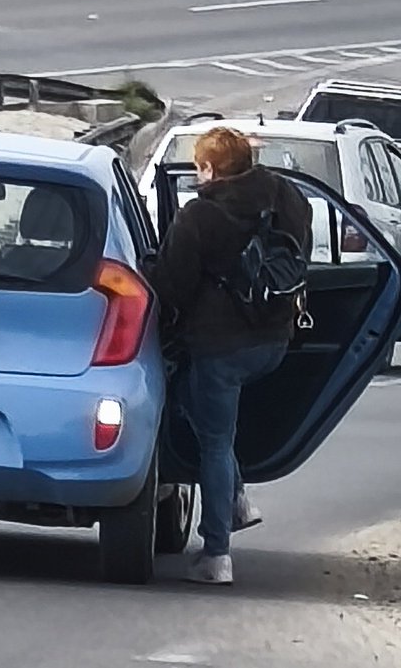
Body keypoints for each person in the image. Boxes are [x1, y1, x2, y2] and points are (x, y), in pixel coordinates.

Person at [148, 126, 312, 586]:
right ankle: (237, 498)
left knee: (212, 437)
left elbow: (173, 286)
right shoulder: (288, 197)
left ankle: (217, 554)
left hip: (220, 346)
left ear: (208, 167)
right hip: (276, 340)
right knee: (196, 404)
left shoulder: (199, 216)